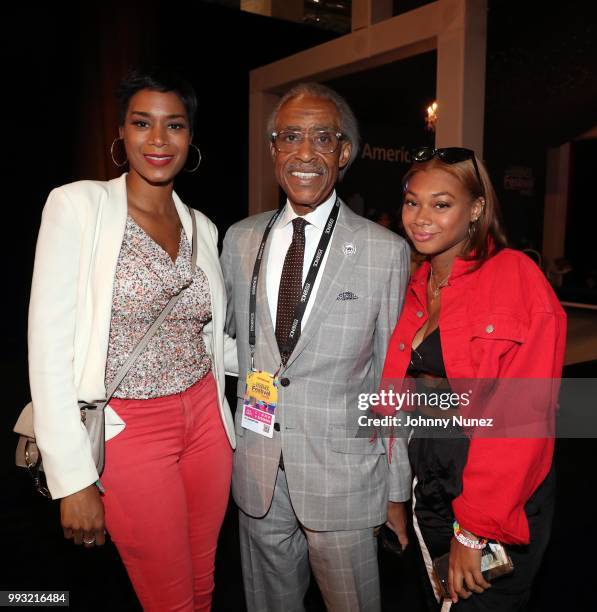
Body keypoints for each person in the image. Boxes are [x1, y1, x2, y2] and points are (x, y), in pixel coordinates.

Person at [28, 67, 237, 612]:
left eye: (175, 125)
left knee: (204, 585)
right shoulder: (78, 207)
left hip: (207, 424)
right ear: (121, 133)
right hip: (128, 431)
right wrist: (72, 478)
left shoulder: (202, 227)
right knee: (167, 599)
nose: (159, 140)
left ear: (191, 138)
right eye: (142, 123)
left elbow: (208, 338)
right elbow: (48, 348)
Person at [220, 82, 412, 612]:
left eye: (322, 138)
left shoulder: (384, 251)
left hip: (344, 478)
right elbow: (240, 344)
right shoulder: (240, 238)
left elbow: (390, 381)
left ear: (344, 151)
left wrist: (397, 489)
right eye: (290, 137)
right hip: (259, 471)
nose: (305, 153)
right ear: (273, 149)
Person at [381, 147, 566, 610]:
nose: (421, 218)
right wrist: (394, 494)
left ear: (476, 209)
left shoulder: (515, 276)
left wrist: (475, 529)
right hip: (428, 481)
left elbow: (522, 421)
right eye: (411, 202)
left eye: (441, 204)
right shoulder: (414, 284)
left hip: (495, 491)